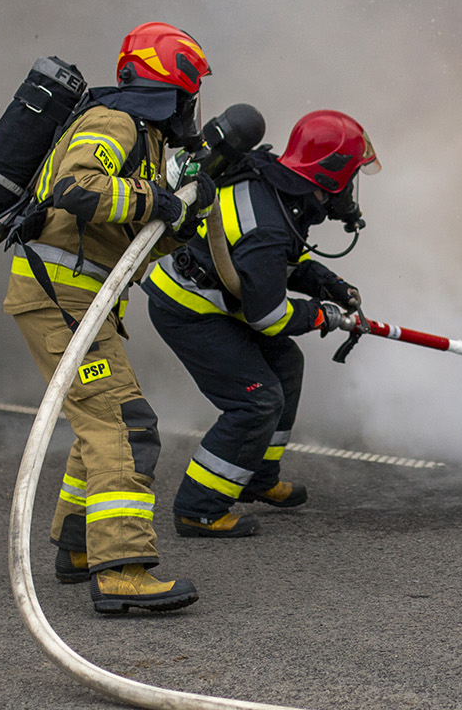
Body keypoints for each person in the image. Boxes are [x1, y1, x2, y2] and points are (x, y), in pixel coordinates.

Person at [4, 22, 209, 615]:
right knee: (126, 426)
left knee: (100, 422)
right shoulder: (114, 121)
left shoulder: (145, 140)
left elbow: (127, 238)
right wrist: (158, 200)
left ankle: (77, 547)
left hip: (79, 301)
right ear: (175, 86)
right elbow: (77, 187)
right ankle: (120, 570)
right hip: (61, 298)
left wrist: (180, 222)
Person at [142, 109, 375, 537]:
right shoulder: (269, 223)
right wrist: (321, 314)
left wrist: (325, 282)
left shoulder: (275, 181)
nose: (351, 190)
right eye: (352, 176)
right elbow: (267, 316)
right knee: (256, 401)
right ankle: (199, 509)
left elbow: (270, 264)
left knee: (286, 364)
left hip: (219, 301)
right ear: (333, 175)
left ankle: (256, 477)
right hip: (188, 310)